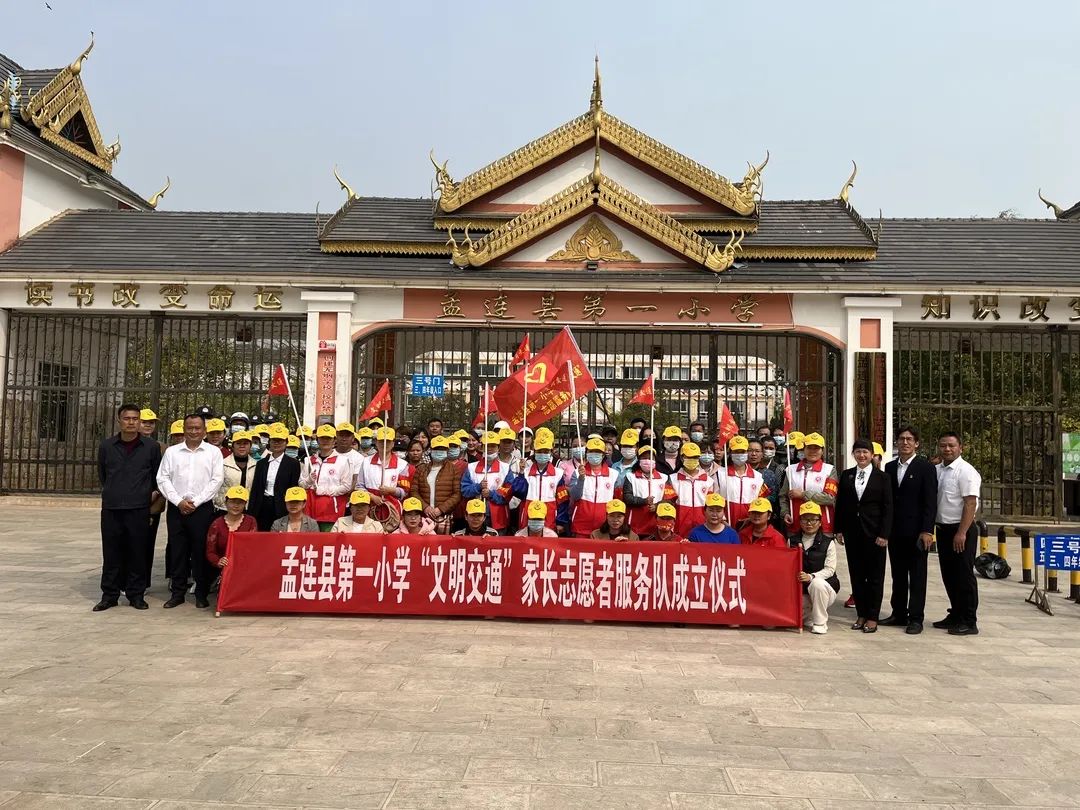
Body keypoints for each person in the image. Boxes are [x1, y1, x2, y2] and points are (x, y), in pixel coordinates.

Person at [94, 404, 162, 611]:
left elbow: (156, 476)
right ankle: (109, 595)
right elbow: (103, 475)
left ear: (139, 421)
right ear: (119, 421)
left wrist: (147, 495)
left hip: (139, 507)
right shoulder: (107, 446)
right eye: (127, 418)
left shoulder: (150, 447)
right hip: (113, 507)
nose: (131, 422)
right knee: (112, 552)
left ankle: (136, 594)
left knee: (137, 552)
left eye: (135, 419)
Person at [156, 413, 224, 609]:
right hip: (177, 509)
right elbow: (163, 478)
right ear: (183, 430)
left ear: (204, 431)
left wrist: (197, 501)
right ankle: (177, 593)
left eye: (197, 428)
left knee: (200, 551)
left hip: (201, 509)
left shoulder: (213, 453)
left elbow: (216, 480)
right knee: (178, 550)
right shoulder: (172, 452)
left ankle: (201, 593)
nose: (193, 432)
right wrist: (178, 501)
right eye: (190, 428)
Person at [882, 425, 938, 634]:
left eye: (909, 439)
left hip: (917, 532)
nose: (905, 442)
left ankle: (916, 618)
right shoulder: (889, 467)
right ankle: (898, 613)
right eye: (901, 439)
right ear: (896, 442)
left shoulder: (925, 468)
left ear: (916, 443)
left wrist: (927, 530)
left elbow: (930, 502)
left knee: (917, 576)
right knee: (898, 574)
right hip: (895, 532)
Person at [834, 438, 894, 633]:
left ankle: (872, 616)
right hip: (853, 533)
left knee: (875, 576)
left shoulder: (882, 477)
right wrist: (839, 529)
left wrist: (884, 534)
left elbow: (888, 508)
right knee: (857, 575)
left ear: (872, 455)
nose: (862, 455)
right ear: (854, 454)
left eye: (865, 452)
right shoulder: (847, 475)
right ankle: (861, 613)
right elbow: (841, 504)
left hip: (875, 534)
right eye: (858, 452)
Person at [933, 432, 983, 636]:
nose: (947, 449)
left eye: (951, 446)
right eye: (943, 445)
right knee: (949, 575)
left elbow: (970, 503)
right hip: (943, 529)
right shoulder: (937, 470)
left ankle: (969, 620)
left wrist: (962, 532)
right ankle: (955, 613)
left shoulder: (966, 471)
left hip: (961, 529)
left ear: (960, 447)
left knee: (964, 575)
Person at [790, 501, 840, 635]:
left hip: (825, 588)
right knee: (793, 618)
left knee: (816, 584)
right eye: (805, 519)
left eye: (813, 519)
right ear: (800, 521)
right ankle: (809, 616)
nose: (809, 523)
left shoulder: (828, 542)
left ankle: (820, 623)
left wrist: (811, 577)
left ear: (820, 521)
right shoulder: (791, 541)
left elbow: (830, 569)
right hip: (801, 590)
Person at [509, 428, 569, 535]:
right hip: (528, 516)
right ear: (534, 452)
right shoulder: (526, 472)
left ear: (550, 452)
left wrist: (560, 521)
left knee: (548, 547)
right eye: (540, 451)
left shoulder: (558, 474)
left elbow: (563, 500)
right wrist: (521, 473)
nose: (542, 454)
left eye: (546, 451)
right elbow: (518, 492)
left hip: (549, 516)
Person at [779, 432, 838, 535]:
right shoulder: (791, 470)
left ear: (822, 451)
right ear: (803, 449)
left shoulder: (829, 470)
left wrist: (803, 494)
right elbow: (783, 496)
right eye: (809, 448)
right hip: (796, 523)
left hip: (822, 524)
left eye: (817, 448)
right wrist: (785, 513)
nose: (813, 451)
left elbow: (830, 497)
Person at [248, 423, 302, 531]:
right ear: (269, 442)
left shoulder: (293, 464)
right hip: (262, 506)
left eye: (280, 441)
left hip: (281, 507)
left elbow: (293, 487)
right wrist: (251, 510)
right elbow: (256, 488)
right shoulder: (261, 463)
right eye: (274, 440)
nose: (277, 443)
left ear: (286, 442)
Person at [461, 430, 516, 535]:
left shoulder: (505, 468)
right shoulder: (471, 467)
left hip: (498, 517)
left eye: (493, 446)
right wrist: (478, 487)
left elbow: (508, 491)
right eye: (487, 446)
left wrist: (491, 494)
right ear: (482, 448)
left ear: (498, 448)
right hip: (475, 516)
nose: (490, 449)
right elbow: (464, 490)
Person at [300, 424, 353, 530]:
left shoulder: (342, 461)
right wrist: (309, 480)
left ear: (334, 441)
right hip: (309, 509)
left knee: (328, 543)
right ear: (317, 440)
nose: (325, 441)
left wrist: (323, 490)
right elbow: (301, 484)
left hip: (331, 511)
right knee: (310, 543)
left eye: (328, 438)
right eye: (322, 438)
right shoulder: (309, 461)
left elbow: (346, 487)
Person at [569, 437, 622, 537]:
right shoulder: (577, 473)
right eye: (591, 451)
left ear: (603, 455)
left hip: (604, 528)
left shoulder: (614, 475)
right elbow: (574, 496)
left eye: (597, 452)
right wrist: (581, 478)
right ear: (586, 453)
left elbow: (618, 500)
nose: (594, 454)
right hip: (581, 526)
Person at [713, 435, 768, 531]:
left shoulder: (758, 476)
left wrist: (751, 519)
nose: (739, 454)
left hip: (750, 524)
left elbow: (761, 501)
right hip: (724, 523)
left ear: (747, 453)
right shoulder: (720, 474)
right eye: (736, 452)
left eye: (742, 452)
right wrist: (722, 519)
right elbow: (714, 499)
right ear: (730, 453)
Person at [138, 407, 167, 586]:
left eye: (151, 423)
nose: (148, 425)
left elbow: (166, 475)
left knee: (147, 545)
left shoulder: (162, 448)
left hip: (152, 504)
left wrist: (155, 492)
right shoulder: (128, 445)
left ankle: (144, 582)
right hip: (130, 503)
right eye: (145, 422)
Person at [410, 435, 461, 534]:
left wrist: (441, 509)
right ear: (431, 450)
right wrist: (425, 507)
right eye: (437, 449)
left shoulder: (454, 470)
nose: (439, 452)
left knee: (441, 546)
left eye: (442, 449)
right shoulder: (421, 469)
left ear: (447, 451)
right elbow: (414, 491)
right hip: (424, 517)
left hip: (444, 518)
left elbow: (457, 494)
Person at [362, 426, 414, 520]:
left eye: (388, 441)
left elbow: (405, 492)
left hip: (393, 511)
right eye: (381, 441)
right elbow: (359, 486)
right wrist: (372, 496)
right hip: (369, 509)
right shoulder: (365, 462)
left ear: (393, 443)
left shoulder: (403, 465)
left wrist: (391, 490)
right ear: (376, 442)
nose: (384, 444)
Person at [622, 445, 674, 538]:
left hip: (657, 525)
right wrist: (644, 501)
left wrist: (657, 506)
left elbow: (670, 500)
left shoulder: (664, 477)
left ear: (655, 460)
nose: (647, 461)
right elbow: (627, 498)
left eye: (650, 458)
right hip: (635, 525)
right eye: (644, 458)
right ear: (639, 460)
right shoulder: (630, 477)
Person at [205, 485, 258, 573]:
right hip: (222, 570)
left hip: (244, 567)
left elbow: (253, 547)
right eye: (232, 501)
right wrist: (218, 561)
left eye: (240, 502)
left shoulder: (251, 521)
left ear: (245, 504)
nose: (236, 505)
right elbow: (210, 551)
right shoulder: (216, 524)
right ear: (226, 502)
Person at [671, 442, 714, 538]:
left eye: (695, 457)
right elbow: (669, 504)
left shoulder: (708, 481)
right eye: (689, 457)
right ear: (682, 458)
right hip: (679, 528)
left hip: (702, 529)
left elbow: (711, 506)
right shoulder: (672, 479)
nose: (692, 460)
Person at [216, 429, 254, 512]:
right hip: (224, 509)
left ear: (250, 446)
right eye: (238, 443)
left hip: (248, 509)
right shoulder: (222, 464)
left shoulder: (256, 465)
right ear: (232, 446)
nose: (242, 446)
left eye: (245, 443)